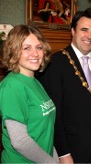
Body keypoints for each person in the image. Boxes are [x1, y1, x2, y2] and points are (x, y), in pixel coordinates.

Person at [39, 7, 91, 163]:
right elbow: (54, 114)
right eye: (84, 30)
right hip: (70, 151)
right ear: (73, 31)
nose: (89, 36)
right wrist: (63, 153)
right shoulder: (55, 64)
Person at [0, 25, 58, 163]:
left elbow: (45, 132)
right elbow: (19, 141)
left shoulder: (35, 82)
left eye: (39, 47)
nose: (35, 53)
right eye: (27, 48)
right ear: (13, 51)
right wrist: (50, 162)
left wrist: (55, 157)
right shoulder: (12, 86)